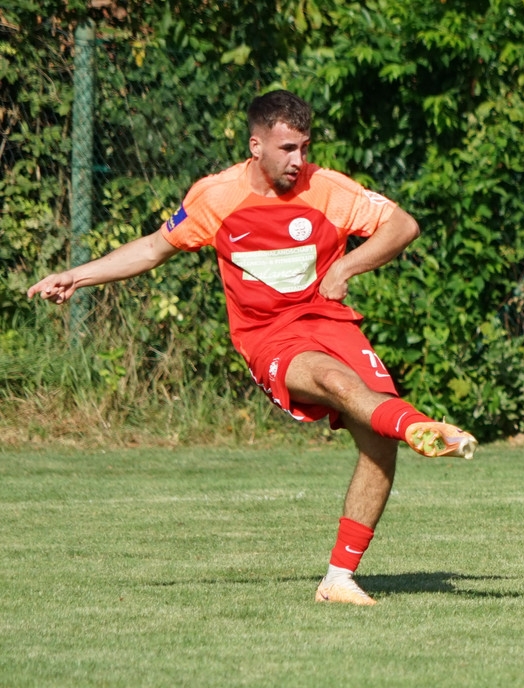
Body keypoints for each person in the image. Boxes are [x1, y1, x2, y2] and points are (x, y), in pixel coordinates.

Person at [29, 90, 478, 606]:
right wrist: (76, 276)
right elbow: (153, 248)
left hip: (330, 322)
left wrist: (346, 266)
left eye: (305, 147)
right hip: (269, 336)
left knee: (378, 441)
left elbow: (403, 225)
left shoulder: (327, 188)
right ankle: (418, 425)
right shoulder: (216, 197)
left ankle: (338, 580)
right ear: (255, 145)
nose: (299, 160)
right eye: (287, 148)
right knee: (336, 381)